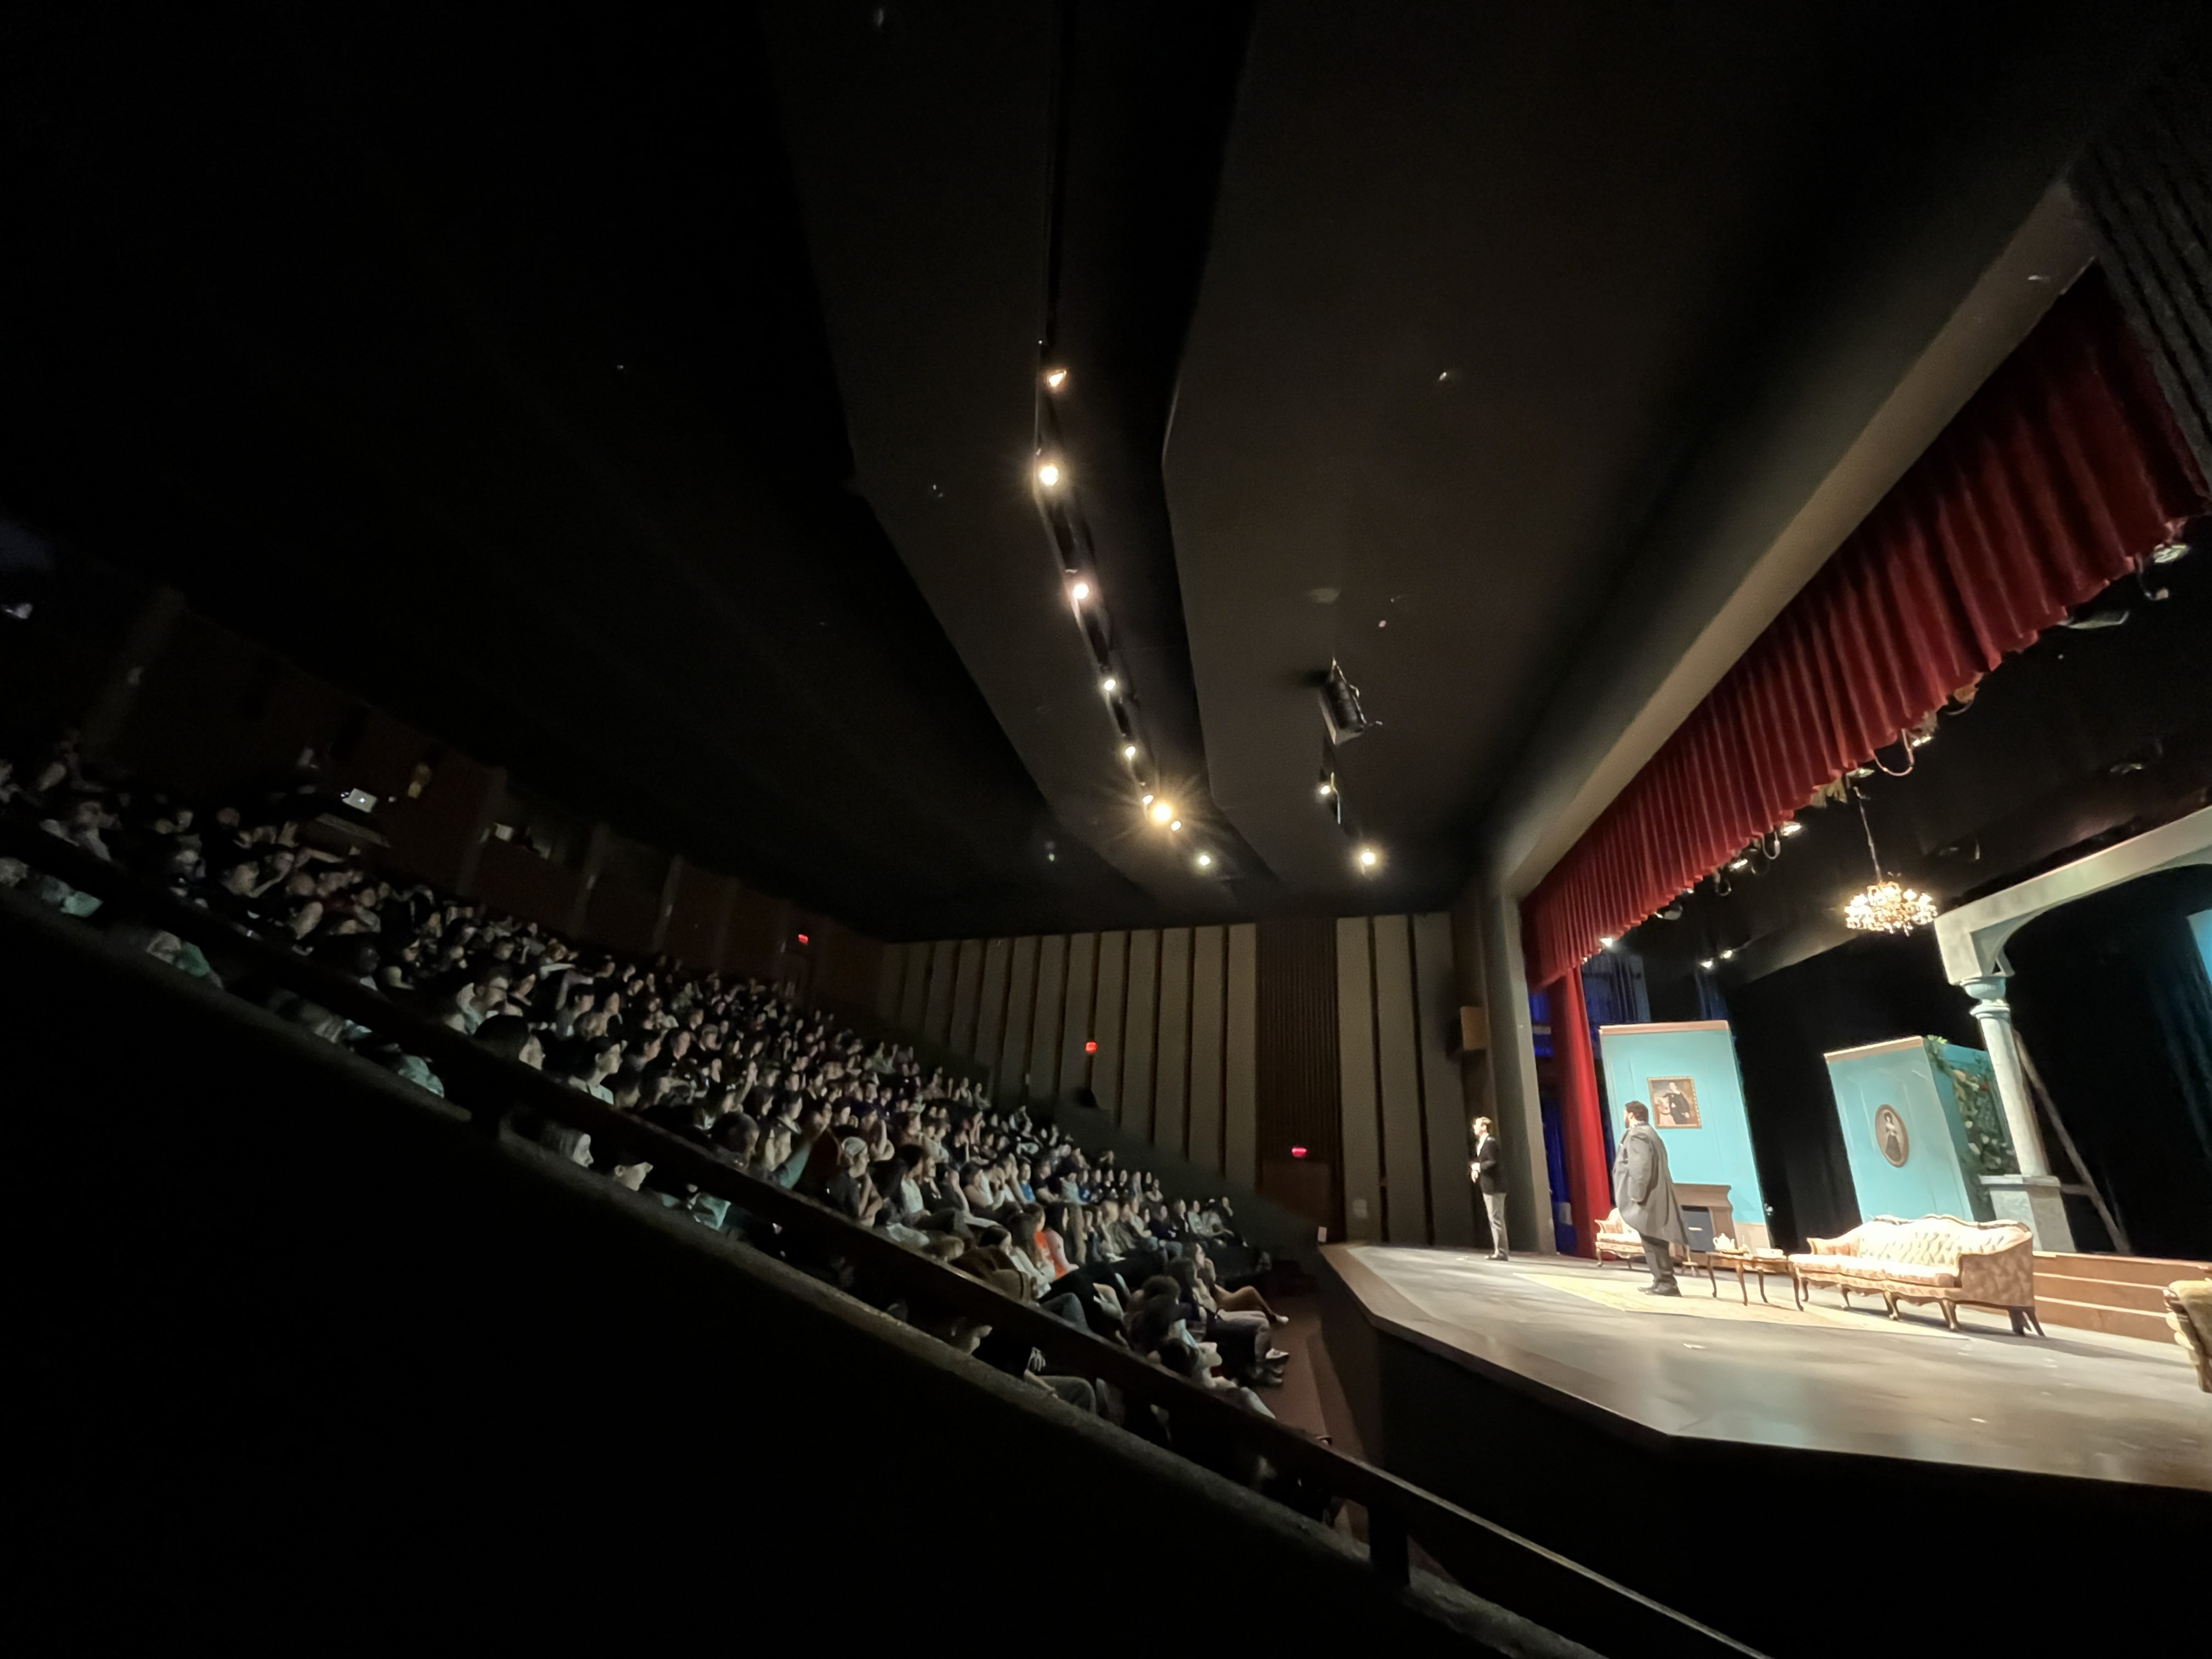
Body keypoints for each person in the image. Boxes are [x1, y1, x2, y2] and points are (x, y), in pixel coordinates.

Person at [1612, 1101, 1685, 1295]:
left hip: (1648, 1196)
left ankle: (1667, 1283)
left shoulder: (1639, 1135)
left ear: (1630, 1114)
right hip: (1652, 1195)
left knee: (1655, 1239)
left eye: (1624, 1113)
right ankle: (1660, 1280)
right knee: (1651, 1239)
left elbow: (1641, 1167)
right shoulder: (1647, 1132)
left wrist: (1636, 1193)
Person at [1469, 1116, 1508, 1261]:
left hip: (1495, 1187)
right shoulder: (1481, 1143)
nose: (1474, 1128)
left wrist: (1478, 1167)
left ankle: (1502, 1252)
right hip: (1488, 1186)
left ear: (1484, 1127)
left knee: (1496, 1219)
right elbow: (1482, 1162)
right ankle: (1500, 1250)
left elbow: (1493, 1162)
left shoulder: (1490, 1143)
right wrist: (1476, 1169)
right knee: (1494, 1219)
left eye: (1477, 1125)